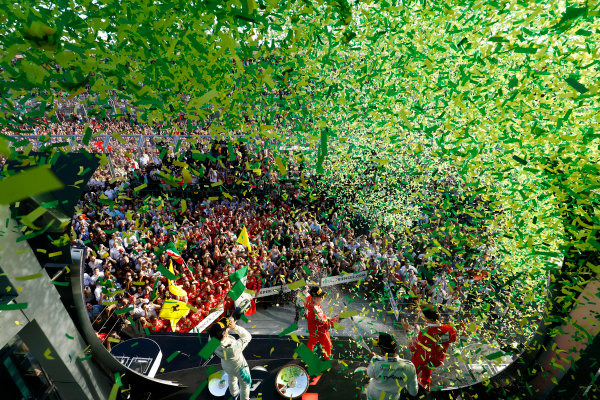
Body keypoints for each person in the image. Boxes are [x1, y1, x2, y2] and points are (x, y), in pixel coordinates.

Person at [405, 303, 457, 391]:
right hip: (437, 360)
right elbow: (452, 339)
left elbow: (411, 347)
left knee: (411, 372)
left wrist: (407, 331)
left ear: (426, 318)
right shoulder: (450, 329)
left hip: (423, 359)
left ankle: (411, 386)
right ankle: (425, 387)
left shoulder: (425, 332)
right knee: (427, 371)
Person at [209, 317, 252, 400]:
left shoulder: (211, 340)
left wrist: (227, 323)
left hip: (226, 365)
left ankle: (234, 394)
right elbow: (248, 336)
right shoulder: (232, 348)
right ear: (224, 334)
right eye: (226, 329)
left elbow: (217, 330)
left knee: (231, 378)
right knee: (246, 384)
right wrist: (235, 327)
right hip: (240, 368)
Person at [366, 332, 418, 400]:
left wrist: (373, 359)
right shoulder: (409, 366)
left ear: (381, 348)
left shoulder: (375, 363)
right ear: (396, 348)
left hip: (373, 396)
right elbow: (413, 392)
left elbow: (370, 374)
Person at [305, 286, 339, 360]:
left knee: (311, 343)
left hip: (312, 328)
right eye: (321, 297)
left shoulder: (309, 300)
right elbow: (326, 326)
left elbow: (306, 295)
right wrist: (336, 320)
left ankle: (308, 357)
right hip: (320, 331)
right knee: (327, 345)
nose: (322, 298)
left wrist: (306, 289)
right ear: (315, 298)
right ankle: (327, 359)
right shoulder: (317, 311)